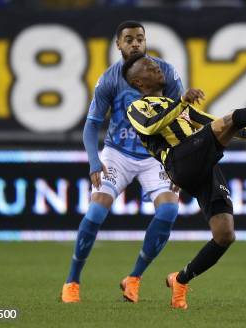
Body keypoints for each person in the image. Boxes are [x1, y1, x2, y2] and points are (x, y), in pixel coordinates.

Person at [123, 56, 246, 309]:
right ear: (138, 82)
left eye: (155, 64)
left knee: (225, 235)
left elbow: (221, 124)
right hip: (179, 161)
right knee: (231, 118)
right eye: (147, 67)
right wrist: (182, 102)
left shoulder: (181, 107)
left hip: (204, 165)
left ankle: (180, 280)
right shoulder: (137, 107)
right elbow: (149, 127)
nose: (155, 67)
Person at [61, 21, 184, 304]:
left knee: (168, 212)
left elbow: (181, 118)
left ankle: (134, 278)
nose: (135, 44)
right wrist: (94, 161)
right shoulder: (109, 79)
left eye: (140, 38)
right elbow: (91, 126)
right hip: (117, 153)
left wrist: (178, 163)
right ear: (118, 45)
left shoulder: (165, 73)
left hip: (155, 154)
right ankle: (72, 281)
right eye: (128, 39)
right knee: (96, 212)